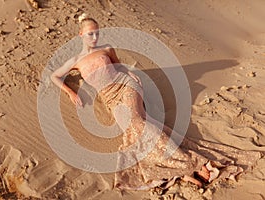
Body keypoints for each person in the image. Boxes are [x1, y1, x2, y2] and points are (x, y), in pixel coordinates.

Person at [50, 14, 262, 190]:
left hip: (126, 88)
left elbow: (119, 66)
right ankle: (185, 166)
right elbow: (54, 76)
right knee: (135, 130)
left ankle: (190, 165)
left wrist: (131, 76)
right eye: (90, 34)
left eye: (97, 32)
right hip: (110, 99)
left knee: (138, 124)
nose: (94, 37)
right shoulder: (75, 61)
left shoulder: (106, 48)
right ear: (81, 35)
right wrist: (70, 92)